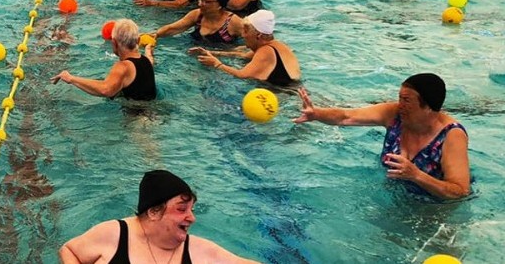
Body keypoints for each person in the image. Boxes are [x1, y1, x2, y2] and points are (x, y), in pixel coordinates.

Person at [294, 73, 470, 199]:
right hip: (393, 197)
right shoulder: (394, 114)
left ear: (429, 107)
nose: (400, 105)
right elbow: (347, 116)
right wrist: (316, 114)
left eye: (407, 100)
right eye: (400, 98)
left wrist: (416, 175)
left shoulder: (452, 135)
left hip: (434, 209)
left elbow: (460, 191)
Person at [59, 169, 260, 264]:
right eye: (181, 209)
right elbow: (69, 250)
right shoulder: (114, 234)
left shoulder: (198, 251)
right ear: (153, 212)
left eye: (191, 209)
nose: (192, 218)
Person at [51, 19, 156, 101]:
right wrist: (148, 50)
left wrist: (71, 78)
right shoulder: (146, 61)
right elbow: (150, 59)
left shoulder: (123, 66)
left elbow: (106, 90)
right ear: (138, 40)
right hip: (154, 116)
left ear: (114, 43)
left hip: (136, 123)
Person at [192, 10, 301, 86]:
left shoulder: (266, 51)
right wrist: (211, 53)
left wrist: (217, 64)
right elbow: (243, 55)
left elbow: (242, 75)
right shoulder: (276, 45)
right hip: (294, 92)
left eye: (246, 31)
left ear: (258, 35)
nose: (243, 35)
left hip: (285, 95)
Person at [154, 0, 243, 45]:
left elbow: (253, 46)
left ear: (219, 5)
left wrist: (219, 54)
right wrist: (155, 35)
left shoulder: (233, 22)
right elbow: (172, 28)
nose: (200, 4)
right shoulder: (197, 15)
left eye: (206, 2)